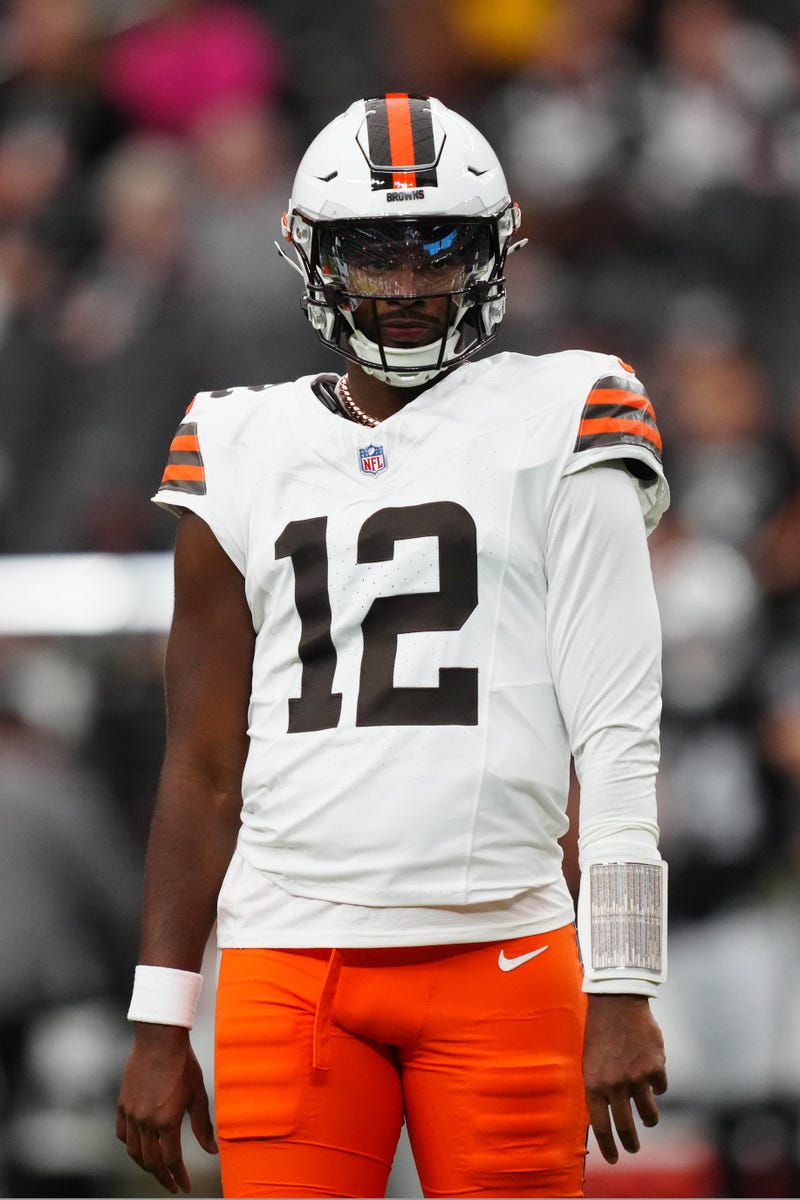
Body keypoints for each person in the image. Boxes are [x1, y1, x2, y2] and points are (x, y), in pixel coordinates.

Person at [116, 93, 669, 1199]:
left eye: (439, 247)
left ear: (492, 253)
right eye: (371, 249)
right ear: (310, 255)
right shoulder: (236, 440)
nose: (407, 282)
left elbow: (616, 730)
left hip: (502, 948)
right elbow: (203, 765)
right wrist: (160, 1015)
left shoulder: (571, 408)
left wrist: (622, 979)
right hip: (284, 956)